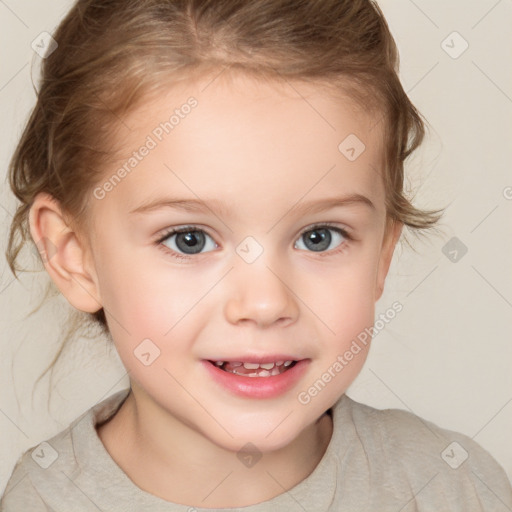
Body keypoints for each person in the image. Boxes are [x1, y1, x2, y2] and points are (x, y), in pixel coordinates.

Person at [2, 0, 511, 510]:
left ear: (382, 252)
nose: (266, 303)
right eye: (189, 239)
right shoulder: (41, 501)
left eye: (319, 236)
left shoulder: (453, 486)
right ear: (74, 256)